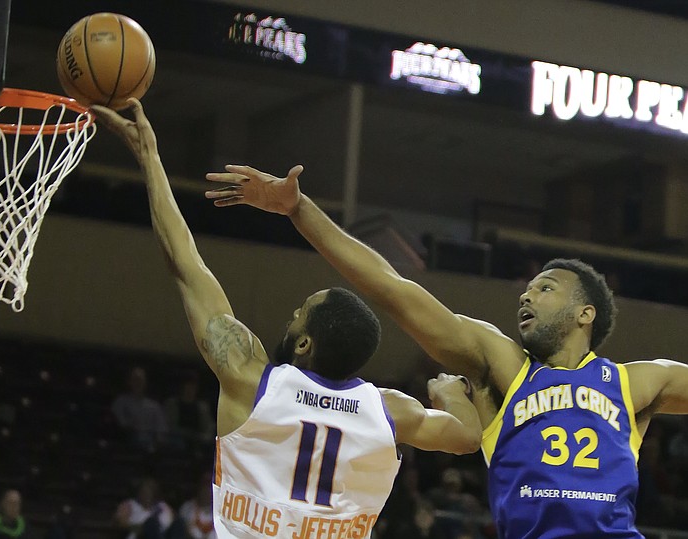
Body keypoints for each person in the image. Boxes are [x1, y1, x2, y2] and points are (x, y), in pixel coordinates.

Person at [204, 163, 688, 538]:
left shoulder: (634, 381)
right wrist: (299, 210)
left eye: (545, 288)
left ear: (586, 314)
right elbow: (393, 289)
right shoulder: (505, 368)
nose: (525, 295)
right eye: (526, 288)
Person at [92, 100, 481, 539]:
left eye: (300, 314)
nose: (292, 316)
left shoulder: (249, 379)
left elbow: (186, 263)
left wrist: (149, 157)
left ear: (304, 343)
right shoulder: (391, 411)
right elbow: (468, 437)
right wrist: (449, 390)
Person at [112, 366, 168, 452]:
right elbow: (121, 425)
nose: (138, 383)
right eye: (135, 379)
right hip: (127, 445)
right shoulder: (120, 402)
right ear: (129, 382)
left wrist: (155, 447)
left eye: (141, 380)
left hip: (150, 450)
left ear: (145, 383)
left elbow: (161, 431)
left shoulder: (155, 406)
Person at [177, 473, 216, 539]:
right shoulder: (186, 508)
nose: (206, 490)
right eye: (204, 484)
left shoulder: (221, 512)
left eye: (209, 485)